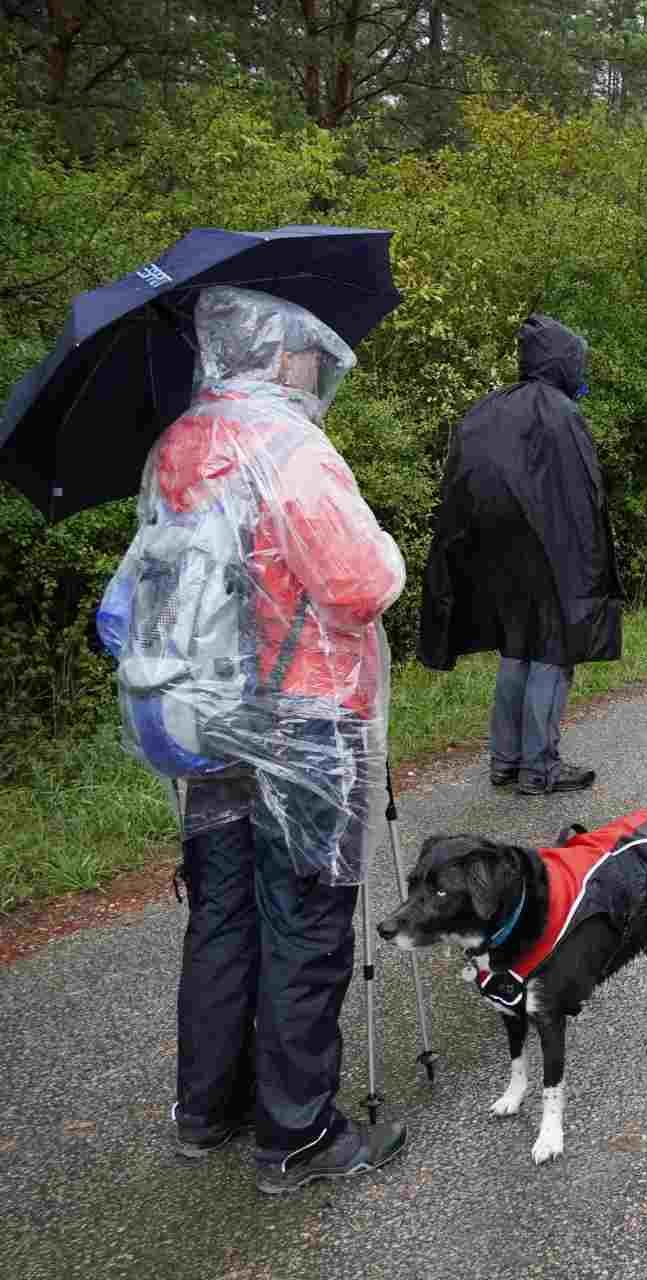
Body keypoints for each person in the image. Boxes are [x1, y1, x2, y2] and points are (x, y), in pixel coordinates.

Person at [97, 287, 408, 1193]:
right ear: (278, 353)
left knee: (224, 914)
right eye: (311, 347)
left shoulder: (179, 445)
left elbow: (125, 609)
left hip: (208, 720)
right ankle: (298, 1134)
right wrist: (386, 546)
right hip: (307, 720)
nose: (320, 363)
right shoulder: (289, 446)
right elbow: (357, 585)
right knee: (307, 919)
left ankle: (208, 1107)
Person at [420, 315, 622, 796]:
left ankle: (504, 761)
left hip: (494, 554)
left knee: (516, 646)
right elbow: (584, 498)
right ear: (564, 361)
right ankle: (539, 768)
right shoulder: (561, 414)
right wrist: (592, 570)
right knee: (553, 647)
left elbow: (460, 485)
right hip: (552, 554)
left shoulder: (488, 409)